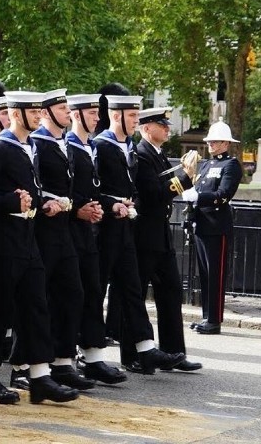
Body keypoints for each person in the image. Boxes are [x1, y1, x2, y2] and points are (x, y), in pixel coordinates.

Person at [0, 90, 80, 406]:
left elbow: (29, 192)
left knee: (37, 306)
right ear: (15, 113)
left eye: (38, 111)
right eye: (31, 112)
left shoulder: (29, 146)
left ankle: (39, 377)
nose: (38, 116)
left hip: (27, 237)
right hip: (3, 241)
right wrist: (10, 202)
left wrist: (43, 202)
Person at [92, 94, 185, 375]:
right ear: (117, 115)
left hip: (126, 227)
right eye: (132, 116)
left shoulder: (127, 146)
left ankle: (146, 348)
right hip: (106, 227)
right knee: (94, 291)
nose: (135, 120)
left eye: (137, 116)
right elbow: (93, 187)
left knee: (133, 290)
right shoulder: (101, 145)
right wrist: (112, 204)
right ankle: (89, 354)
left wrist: (128, 201)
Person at [128, 107, 202, 371]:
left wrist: (183, 173)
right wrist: (184, 176)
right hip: (145, 235)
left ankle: (174, 352)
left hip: (160, 234)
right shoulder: (140, 153)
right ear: (147, 128)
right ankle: (134, 355)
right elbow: (152, 193)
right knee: (135, 294)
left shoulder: (156, 154)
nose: (168, 129)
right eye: (162, 125)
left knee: (171, 292)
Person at [30, 89, 94, 391]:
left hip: (64, 229)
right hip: (43, 228)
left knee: (72, 292)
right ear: (45, 113)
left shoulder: (61, 143)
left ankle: (63, 360)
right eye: (61, 108)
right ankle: (32, 365)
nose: (68, 112)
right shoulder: (39, 143)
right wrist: (46, 201)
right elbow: (33, 184)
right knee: (39, 297)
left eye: (68, 107)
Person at [65, 94, 127, 385]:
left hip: (87, 231)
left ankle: (93, 356)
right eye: (90, 113)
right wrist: (78, 208)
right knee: (72, 295)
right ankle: (64, 358)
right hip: (71, 229)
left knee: (92, 292)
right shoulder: (69, 147)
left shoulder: (88, 147)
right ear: (76, 115)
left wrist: (110, 203)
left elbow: (94, 189)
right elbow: (61, 188)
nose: (96, 118)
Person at [182, 117, 242, 335]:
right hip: (202, 225)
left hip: (217, 226)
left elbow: (223, 195)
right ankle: (206, 315)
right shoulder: (206, 165)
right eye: (210, 141)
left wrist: (199, 196)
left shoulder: (231, 165)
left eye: (216, 142)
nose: (211, 145)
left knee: (216, 274)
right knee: (205, 274)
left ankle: (215, 320)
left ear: (226, 144)